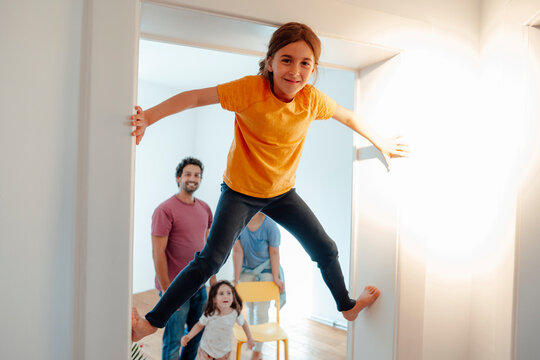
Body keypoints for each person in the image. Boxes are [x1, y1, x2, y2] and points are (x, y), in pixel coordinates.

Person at [131, 22, 409, 342]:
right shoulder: (251, 90)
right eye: (287, 60)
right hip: (239, 193)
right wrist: (148, 118)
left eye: (305, 63)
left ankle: (346, 307)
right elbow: (195, 97)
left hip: (281, 193)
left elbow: (347, 116)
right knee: (210, 260)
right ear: (271, 62)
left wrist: (382, 142)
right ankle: (150, 323)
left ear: (314, 68)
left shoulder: (311, 100)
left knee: (326, 248)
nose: (295, 71)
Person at [150, 157, 213, 360]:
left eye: (197, 175)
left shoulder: (205, 209)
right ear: (178, 178)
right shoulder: (165, 210)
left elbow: (208, 248)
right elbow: (158, 252)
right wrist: (168, 291)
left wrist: (213, 282)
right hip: (175, 287)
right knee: (173, 341)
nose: (192, 178)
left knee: (195, 336)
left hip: (199, 287)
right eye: (188, 174)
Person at [232, 212, 284, 360]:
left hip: (266, 270)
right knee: (251, 308)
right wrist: (235, 280)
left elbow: (274, 252)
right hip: (247, 270)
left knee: (261, 311)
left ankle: (257, 351)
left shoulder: (270, 225)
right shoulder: (239, 223)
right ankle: (254, 340)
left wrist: (275, 277)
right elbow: (237, 251)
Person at [181, 280, 255, 360]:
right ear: (214, 299)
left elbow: (244, 323)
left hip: (224, 354)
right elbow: (199, 325)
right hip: (206, 352)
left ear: (233, 296)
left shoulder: (235, 313)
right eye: (221, 293)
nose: (225, 296)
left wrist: (249, 338)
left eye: (229, 293)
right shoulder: (210, 313)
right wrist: (189, 336)